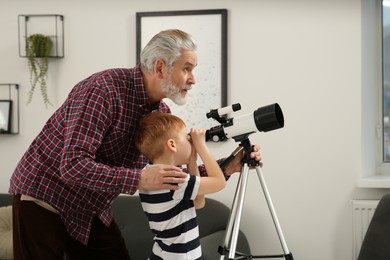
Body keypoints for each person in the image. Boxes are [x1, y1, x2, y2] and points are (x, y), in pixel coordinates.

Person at [9, 29, 262, 259]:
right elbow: (73, 165)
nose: (193, 79)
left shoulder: (159, 113)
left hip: (90, 207)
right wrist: (140, 179)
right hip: (44, 198)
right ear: (161, 67)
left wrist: (229, 165)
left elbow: (173, 177)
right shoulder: (102, 91)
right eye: (187, 68)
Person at [135, 112, 226, 259]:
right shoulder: (172, 179)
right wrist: (201, 145)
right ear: (172, 144)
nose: (190, 142)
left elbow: (198, 202)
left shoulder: (151, 174)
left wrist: (192, 161)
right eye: (186, 138)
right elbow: (219, 182)